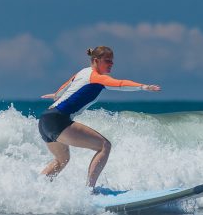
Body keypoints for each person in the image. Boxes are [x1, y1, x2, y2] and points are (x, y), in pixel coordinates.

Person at [38, 46, 160, 190]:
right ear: (96, 60)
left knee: (62, 160)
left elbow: (67, 85)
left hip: (45, 120)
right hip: (58, 120)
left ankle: (36, 189)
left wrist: (56, 95)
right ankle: (90, 191)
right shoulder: (96, 77)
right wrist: (142, 87)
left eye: (112, 61)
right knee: (104, 146)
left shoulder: (83, 72)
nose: (111, 64)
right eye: (107, 61)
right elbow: (120, 84)